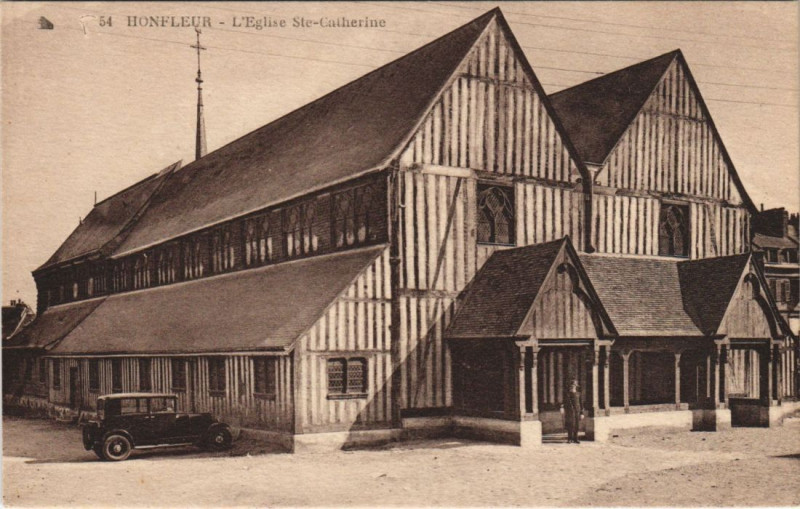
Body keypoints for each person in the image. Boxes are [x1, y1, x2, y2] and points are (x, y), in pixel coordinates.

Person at [563, 378, 583, 444]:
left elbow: (581, 404)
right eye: (571, 386)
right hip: (569, 412)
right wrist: (562, 408)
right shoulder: (567, 394)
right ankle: (569, 439)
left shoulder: (578, 394)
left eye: (574, 386)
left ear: (576, 386)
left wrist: (581, 413)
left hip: (577, 411)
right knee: (570, 425)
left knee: (576, 425)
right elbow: (564, 403)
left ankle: (575, 438)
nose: (572, 387)